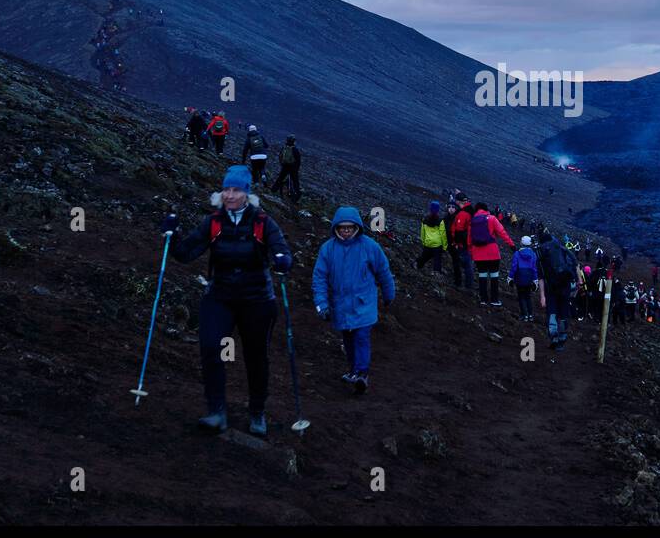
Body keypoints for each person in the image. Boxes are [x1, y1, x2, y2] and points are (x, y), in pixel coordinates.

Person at [160, 165, 292, 437]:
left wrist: (282, 261)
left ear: (247, 193)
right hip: (220, 296)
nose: (230, 195)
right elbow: (186, 254)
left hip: (257, 300)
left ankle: (257, 412)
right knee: (211, 347)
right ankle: (216, 411)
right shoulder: (214, 222)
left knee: (256, 357)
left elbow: (282, 251)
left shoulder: (263, 222)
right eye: (226, 190)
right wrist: (171, 237)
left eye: (236, 190)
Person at [312, 207, 396, 394]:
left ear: (356, 227)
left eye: (349, 227)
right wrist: (322, 305)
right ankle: (353, 370)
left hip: (363, 302)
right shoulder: (328, 249)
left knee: (361, 336)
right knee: (348, 338)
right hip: (340, 304)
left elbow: (383, 271)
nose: (346, 230)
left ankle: (362, 373)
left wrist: (389, 294)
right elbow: (319, 278)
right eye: (342, 227)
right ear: (336, 228)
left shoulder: (369, 246)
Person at [468, 202, 515, 307]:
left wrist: (471, 253)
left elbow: (469, 239)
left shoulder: (472, 221)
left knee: (482, 276)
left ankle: (483, 299)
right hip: (492, 253)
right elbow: (502, 232)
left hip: (478, 254)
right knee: (494, 277)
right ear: (486, 209)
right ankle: (494, 299)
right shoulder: (492, 218)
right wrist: (511, 245)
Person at [536, 228, 575, 351]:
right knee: (563, 311)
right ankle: (562, 337)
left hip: (551, 288)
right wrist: (577, 282)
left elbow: (541, 277)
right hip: (566, 286)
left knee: (552, 311)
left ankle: (554, 338)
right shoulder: (561, 249)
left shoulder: (541, 254)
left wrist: (542, 296)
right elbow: (574, 263)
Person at [449, 193, 476, 293]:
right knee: (467, 264)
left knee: (467, 264)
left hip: (464, 244)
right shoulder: (470, 210)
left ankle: (468, 287)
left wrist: (456, 242)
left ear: (459, 201)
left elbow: (459, 230)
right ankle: (468, 285)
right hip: (468, 242)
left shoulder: (463, 213)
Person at [509, 236, 539, 322]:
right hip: (529, 277)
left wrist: (510, 277)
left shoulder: (517, 254)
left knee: (521, 297)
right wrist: (535, 280)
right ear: (530, 244)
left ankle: (524, 315)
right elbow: (534, 268)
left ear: (521, 243)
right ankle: (530, 315)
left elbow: (514, 267)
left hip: (519, 277)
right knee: (528, 297)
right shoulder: (533, 254)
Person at [416, 201, 447, 275]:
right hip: (437, 244)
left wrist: (423, 241)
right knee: (437, 259)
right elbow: (443, 234)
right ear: (438, 210)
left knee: (424, 256)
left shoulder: (425, 220)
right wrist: (445, 246)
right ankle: (436, 272)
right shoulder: (440, 221)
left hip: (427, 243)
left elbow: (422, 232)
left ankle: (417, 266)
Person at [272, 136, 302, 202]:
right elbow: (298, 160)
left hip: (285, 166)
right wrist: (296, 169)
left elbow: (280, 156)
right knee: (295, 181)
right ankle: (297, 194)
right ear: (293, 141)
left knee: (280, 178)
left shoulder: (284, 148)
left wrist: (282, 164)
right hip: (293, 167)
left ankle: (273, 189)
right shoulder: (295, 149)